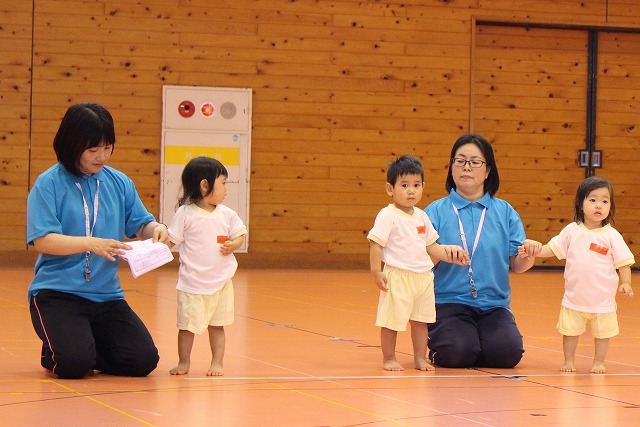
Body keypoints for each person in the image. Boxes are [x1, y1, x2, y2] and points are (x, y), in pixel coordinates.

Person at [27, 102, 167, 379]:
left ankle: (82, 347)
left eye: (107, 147)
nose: (101, 156)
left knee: (143, 361)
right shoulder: (49, 183)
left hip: (107, 296)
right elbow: (43, 240)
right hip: (58, 293)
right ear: (72, 145)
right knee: (74, 365)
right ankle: (65, 351)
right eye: (93, 150)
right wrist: (91, 243)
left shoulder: (119, 182)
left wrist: (157, 229)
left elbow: (141, 224)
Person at [424, 133, 539, 368]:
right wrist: (440, 253)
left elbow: (517, 265)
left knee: (507, 354)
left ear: (488, 171)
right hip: (448, 302)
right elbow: (421, 262)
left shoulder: (504, 212)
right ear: (452, 167)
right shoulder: (435, 211)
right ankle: (452, 343)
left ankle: (478, 342)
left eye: (475, 162)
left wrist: (528, 257)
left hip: (493, 304)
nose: (466, 167)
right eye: (460, 161)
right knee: (458, 352)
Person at [518, 176, 635, 373]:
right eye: (592, 200)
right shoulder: (571, 231)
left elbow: (624, 262)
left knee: (603, 334)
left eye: (605, 201)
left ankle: (599, 361)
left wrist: (626, 283)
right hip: (574, 298)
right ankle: (569, 360)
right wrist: (534, 251)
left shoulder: (612, 235)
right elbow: (552, 249)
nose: (599, 205)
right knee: (570, 332)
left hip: (602, 300)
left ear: (610, 207)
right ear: (581, 204)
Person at [368, 155, 469, 371]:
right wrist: (377, 271)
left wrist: (452, 257)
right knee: (391, 322)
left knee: (421, 322)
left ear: (423, 186)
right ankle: (389, 358)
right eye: (404, 185)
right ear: (390, 189)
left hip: (423, 278)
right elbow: (376, 244)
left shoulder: (422, 216)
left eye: (416, 185)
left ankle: (420, 358)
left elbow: (432, 246)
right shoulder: (388, 215)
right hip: (398, 277)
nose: (411, 191)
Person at [167, 156, 247, 376]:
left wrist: (234, 245)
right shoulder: (185, 214)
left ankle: (217, 362)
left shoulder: (227, 214)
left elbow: (239, 235)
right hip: (192, 284)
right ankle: (184, 362)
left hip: (221, 283)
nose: (226, 190)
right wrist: (151, 248)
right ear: (205, 185)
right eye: (223, 183)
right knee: (186, 327)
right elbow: (171, 240)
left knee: (217, 325)